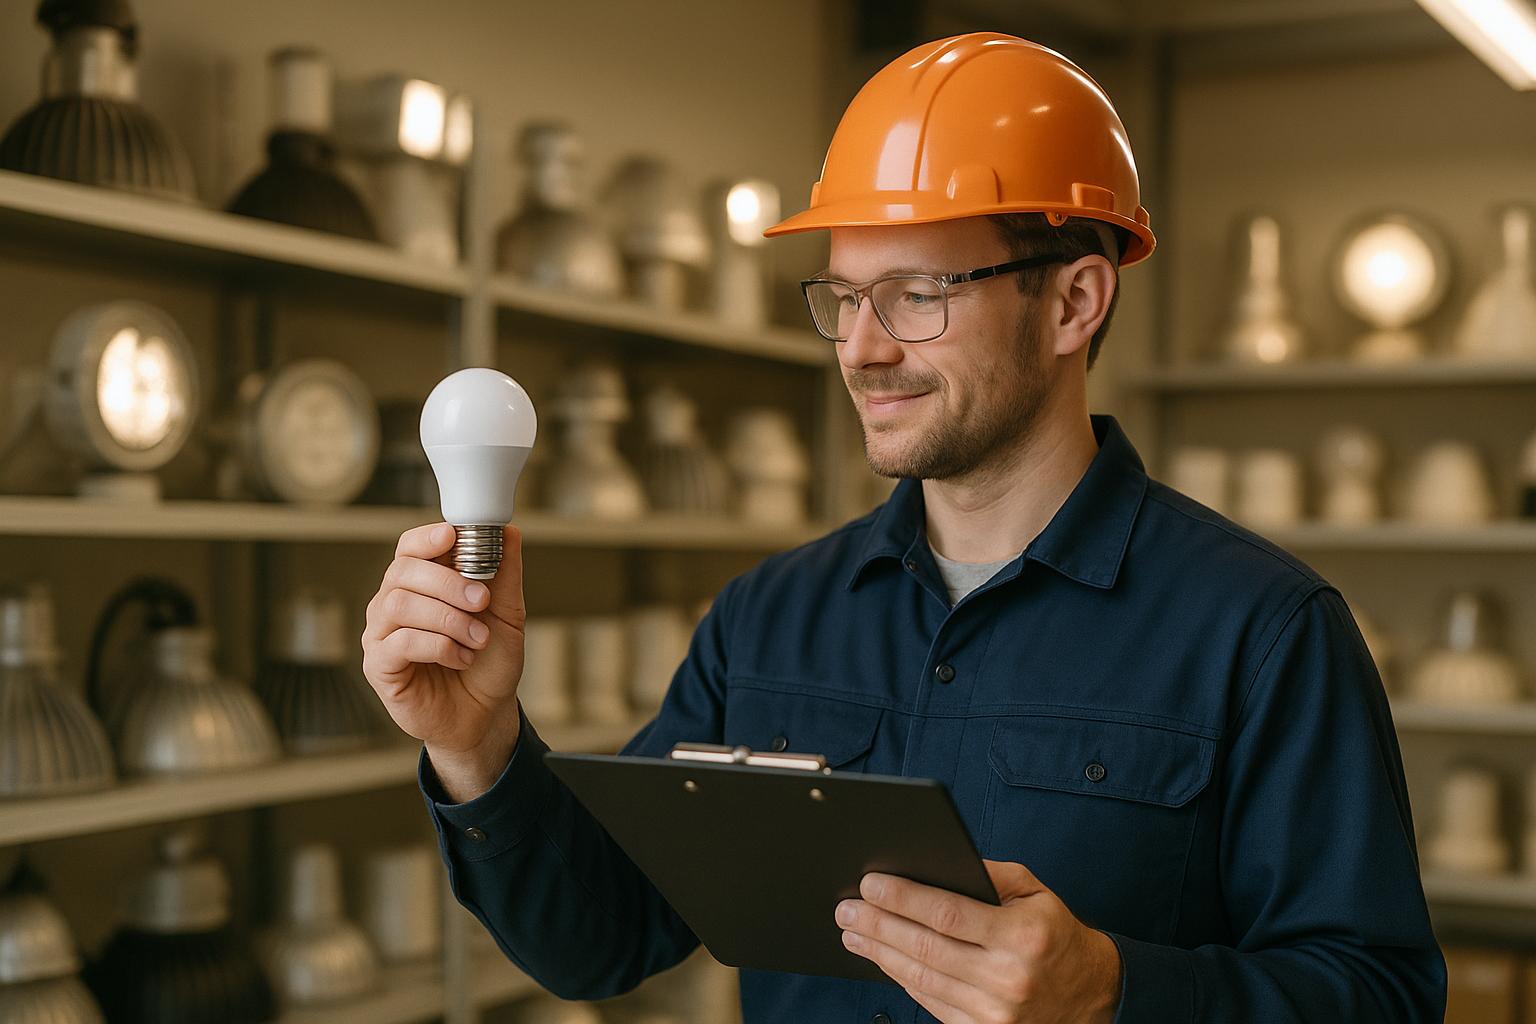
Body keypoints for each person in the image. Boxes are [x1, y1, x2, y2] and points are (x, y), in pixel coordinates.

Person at [361, 31, 1446, 1024]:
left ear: (1076, 303)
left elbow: (1383, 994)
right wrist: (476, 745)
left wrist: (1115, 990)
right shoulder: (766, 619)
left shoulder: (1264, 632)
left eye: (919, 293)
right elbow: (599, 936)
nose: (863, 349)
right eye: (842, 296)